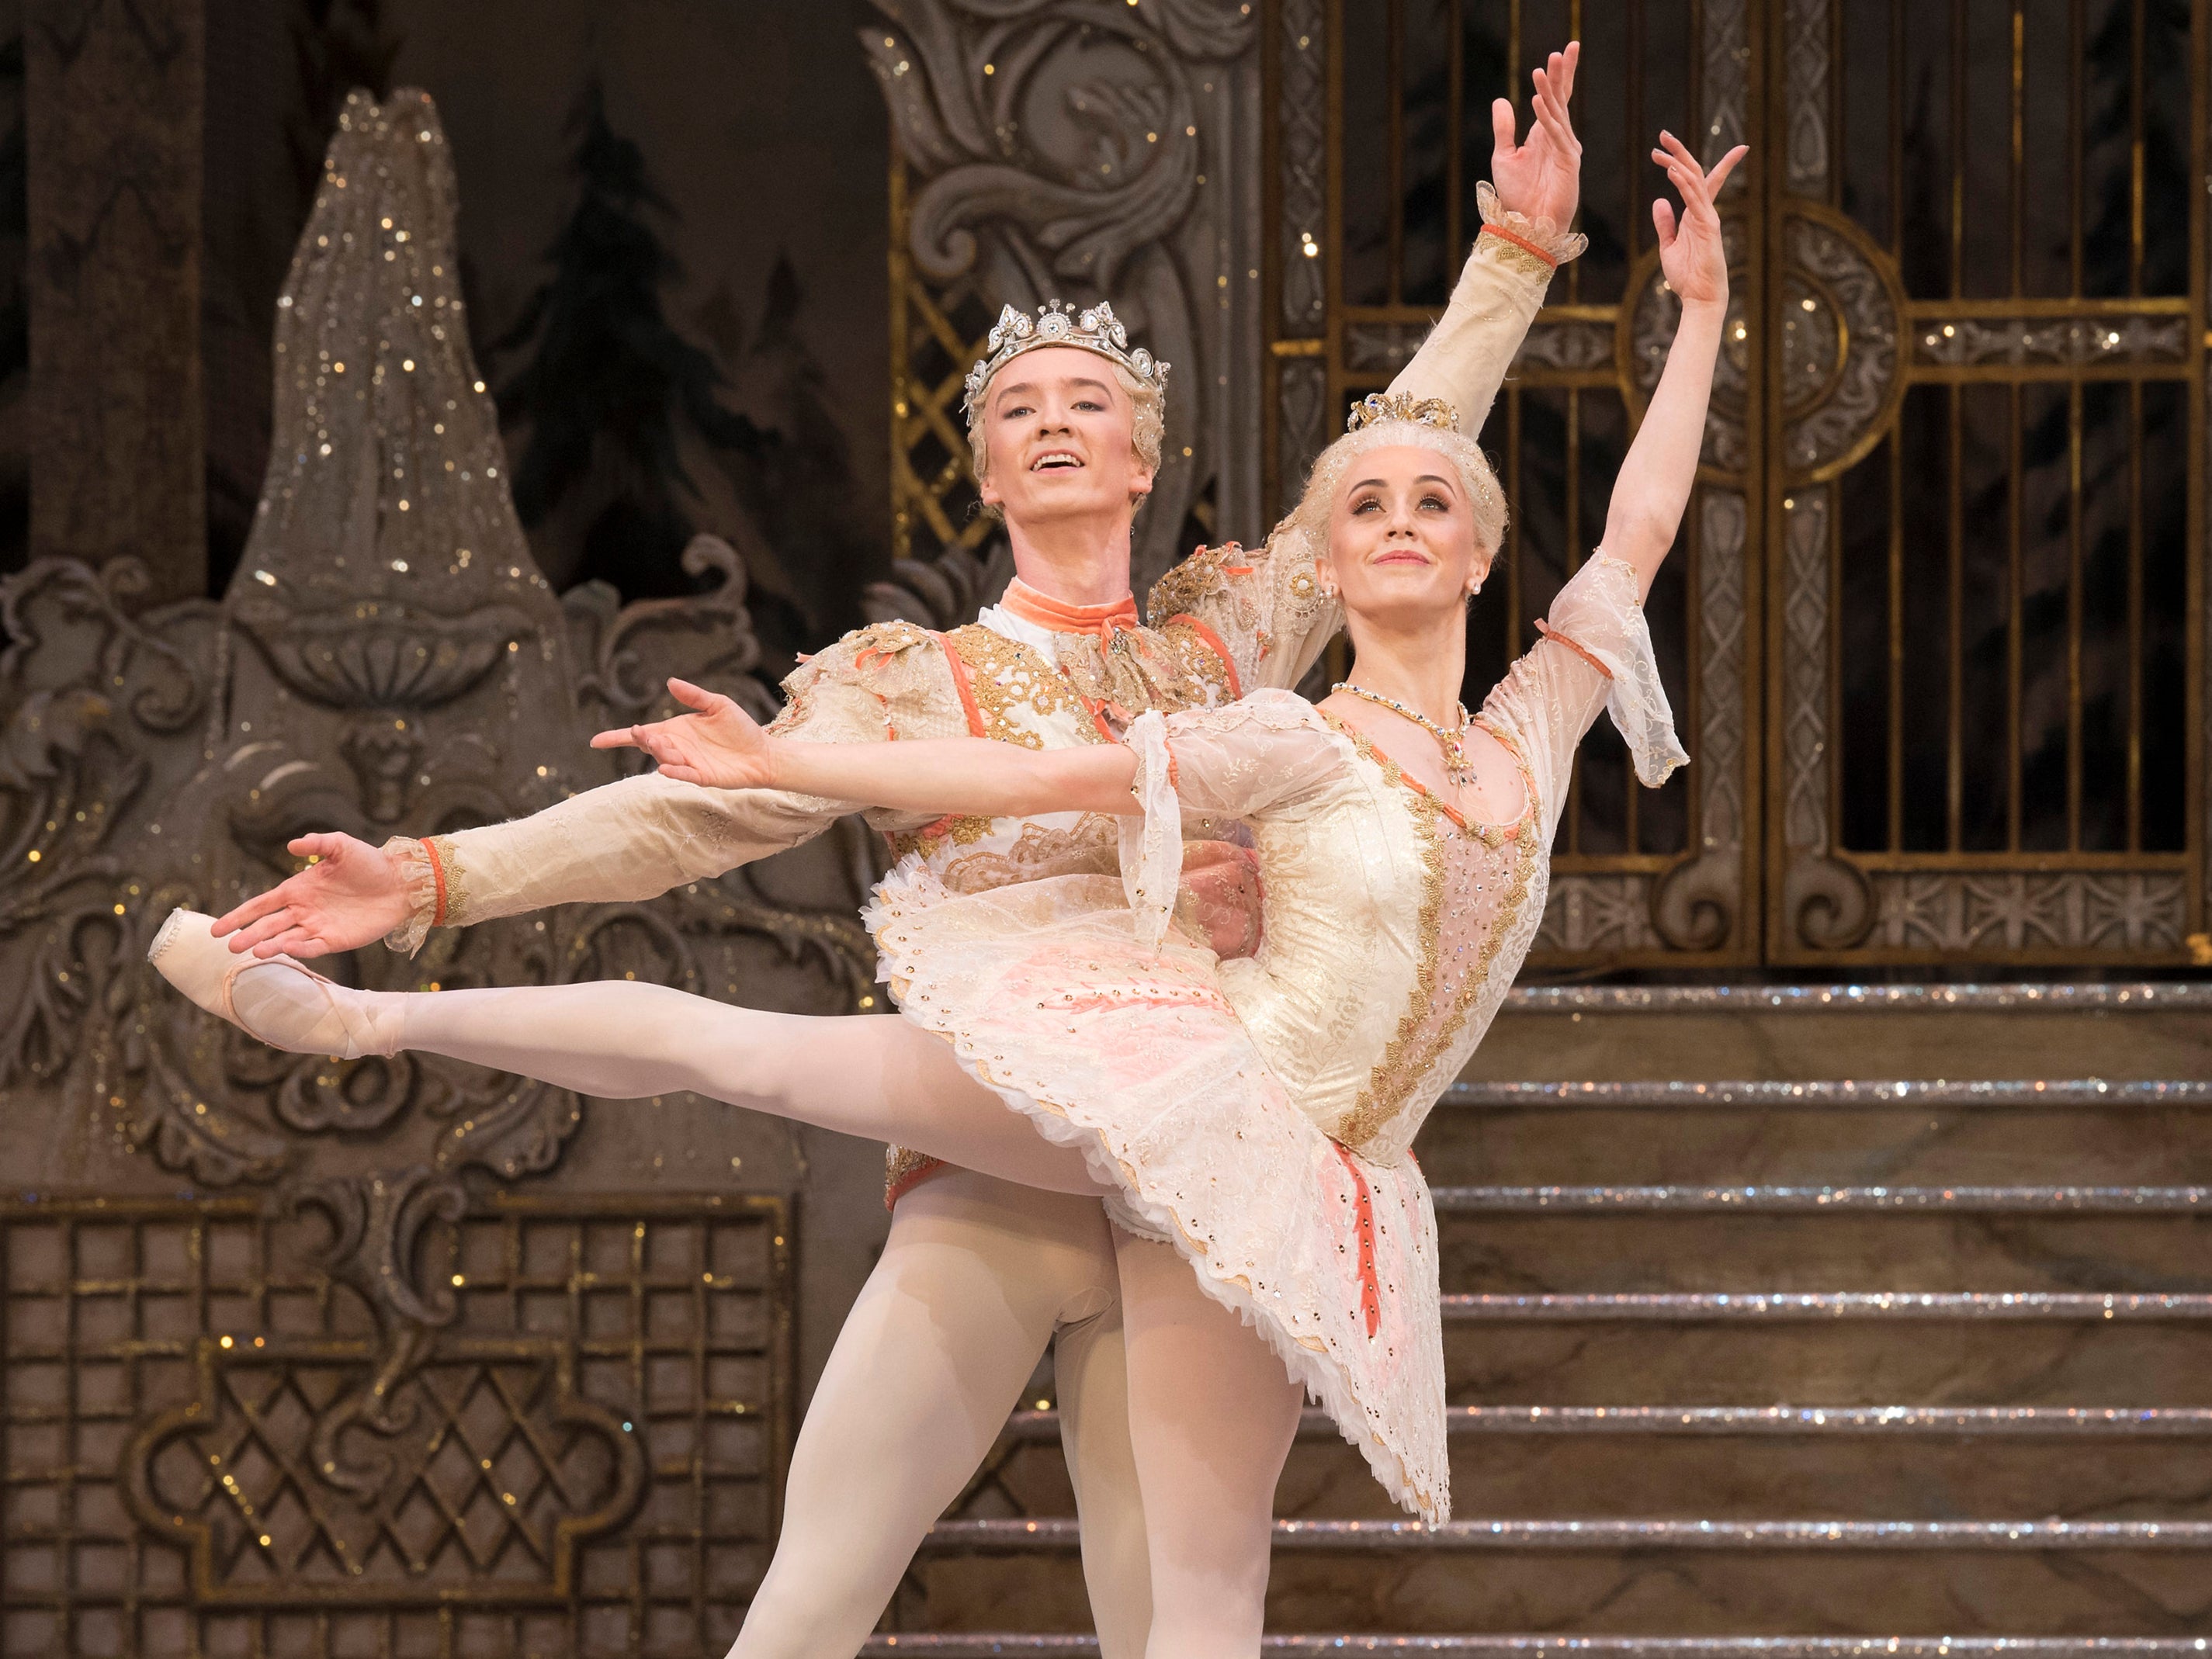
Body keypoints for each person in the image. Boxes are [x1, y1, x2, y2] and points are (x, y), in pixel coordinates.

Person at [157, 127, 1738, 1659]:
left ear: (1142, 453)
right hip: (1004, 1163)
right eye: (1021, 408)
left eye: (1090, 401)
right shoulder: (916, 681)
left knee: (1178, 1622)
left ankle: (373, 1015)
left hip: (1207, 1163)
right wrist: (437, 874)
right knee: (819, 1588)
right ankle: (371, 1007)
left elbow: (1404, 469)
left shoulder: (1223, 639)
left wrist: (1516, 256)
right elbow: (685, 816)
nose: (1056, 422)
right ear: (984, 468)